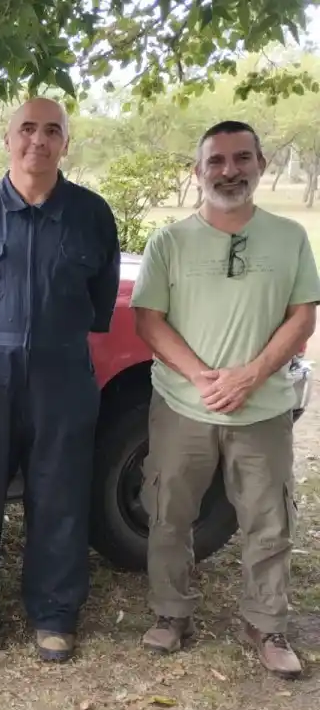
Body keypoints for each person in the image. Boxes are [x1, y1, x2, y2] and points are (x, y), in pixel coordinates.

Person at [0, 97, 121, 664]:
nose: (39, 140)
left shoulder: (91, 214)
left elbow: (98, 303)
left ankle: (55, 614)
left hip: (63, 378)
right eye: (28, 129)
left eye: (52, 130)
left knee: (60, 498)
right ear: (8, 139)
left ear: (66, 143)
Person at [131, 120, 319, 679]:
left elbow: (303, 316)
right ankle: (170, 614)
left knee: (269, 520)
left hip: (262, 410)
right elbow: (148, 320)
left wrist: (252, 375)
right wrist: (206, 377)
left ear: (260, 164)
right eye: (216, 160)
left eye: (242, 158)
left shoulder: (290, 239)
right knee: (168, 513)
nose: (229, 170)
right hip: (182, 407)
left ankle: (266, 623)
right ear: (198, 171)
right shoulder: (169, 241)